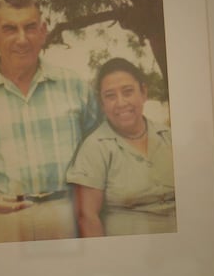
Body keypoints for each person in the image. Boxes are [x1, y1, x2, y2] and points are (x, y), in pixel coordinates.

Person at [0, 0, 99, 244]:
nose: (22, 39)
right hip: (1, 218)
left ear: (43, 31)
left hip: (68, 217)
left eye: (30, 27)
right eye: (10, 29)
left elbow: (102, 151)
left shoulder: (75, 86)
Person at [66, 57, 177, 237]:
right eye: (110, 96)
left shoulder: (169, 136)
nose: (121, 103)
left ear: (144, 93)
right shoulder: (95, 147)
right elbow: (87, 217)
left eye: (128, 92)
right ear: (102, 104)